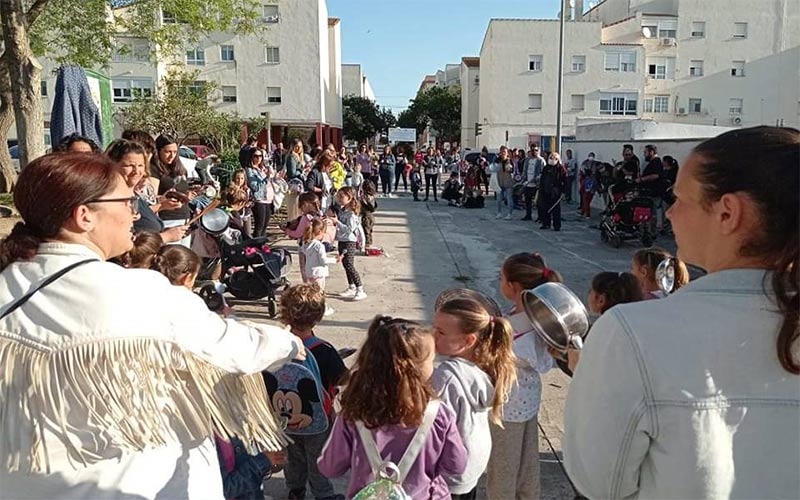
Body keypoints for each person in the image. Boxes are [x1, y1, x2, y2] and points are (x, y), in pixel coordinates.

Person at [0, 152, 305, 500]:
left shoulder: (10, 284)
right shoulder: (137, 291)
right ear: (84, 216)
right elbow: (236, 349)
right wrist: (288, 342)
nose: (135, 211)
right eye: (126, 200)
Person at [565, 126, 800, 499]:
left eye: (680, 199)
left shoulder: (633, 332)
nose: (670, 213)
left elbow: (597, 483)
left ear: (727, 213)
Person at [317, 316, 468, 499]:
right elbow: (456, 465)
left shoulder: (353, 413)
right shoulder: (438, 414)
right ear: (415, 369)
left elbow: (330, 467)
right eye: (431, 360)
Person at [487, 252, 558, 500]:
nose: (500, 281)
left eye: (501, 278)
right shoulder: (536, 318)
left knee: (502, 471)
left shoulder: (519, 324)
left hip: (507, 406)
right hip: (527, 402)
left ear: (513, 286)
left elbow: (527, 359)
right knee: (528, 465)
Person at [432, 298, 517, 500]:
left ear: (468, 340)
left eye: (441, 332)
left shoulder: (447, 376)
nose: (433, 335)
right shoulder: (484, 367)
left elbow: (433, 429)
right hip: (471, 467)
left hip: (448, 475)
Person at [278, 284, 347, 500]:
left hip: (284, 418)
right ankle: (323, 495)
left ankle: (295, 490)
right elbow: (343, 378)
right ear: (318, 317)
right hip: (318, 420)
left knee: (293, 456)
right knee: (317, 459)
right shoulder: (324, 350)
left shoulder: (277, 345)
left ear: (285, 314)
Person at [105, 139, 188, 244]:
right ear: (112, 165)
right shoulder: (112, 199)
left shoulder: (134, 197)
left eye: (140, 165)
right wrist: (165, 237)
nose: (136, 171)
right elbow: (125, 244)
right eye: (129, 166)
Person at [151, 134, 193, 246]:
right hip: (167, 219)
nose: (172, 156)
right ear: (158, 151)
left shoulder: (179, 168)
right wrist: (164, 199)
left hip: (185, 217)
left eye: (175, 152)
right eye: (168, 152)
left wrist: (187, 196)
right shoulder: (154, 170)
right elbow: (152, 198)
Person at [330, 187, 367, 301]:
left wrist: (337, 222)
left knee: (349, 264)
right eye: (338, 196)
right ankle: (351, 286)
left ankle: (360, 289)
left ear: (349, 198)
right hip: (342, 240)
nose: (339, 199)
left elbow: (349, 229)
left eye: (342, 197)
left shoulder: (351, 214)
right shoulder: (342, 210)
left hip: (349, 241)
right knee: (345, 264)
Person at [300, 218, 338, 295]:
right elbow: (323, 260)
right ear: (320, 232)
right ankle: (320, 306)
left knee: (311, 292)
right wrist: (334, 260)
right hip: (319, 272)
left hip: (309, 272)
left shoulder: (306, 243)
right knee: (319, 293)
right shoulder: (319, 246)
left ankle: (311, 304)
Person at [246, 149, 276, 239]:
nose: (258, 158)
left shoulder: (262, 168)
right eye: (256, 156)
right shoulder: (250, 170)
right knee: (259, 225)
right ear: (251, 157)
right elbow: (255, 187)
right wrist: (267, 178)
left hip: (268, 199)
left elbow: (268, 182)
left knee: (265, 226)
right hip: (259, 200)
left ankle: (262, 246)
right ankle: (255, 247)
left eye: (260, 156)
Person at [537, 152, 567, 231]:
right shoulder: (546, 168)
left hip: (555, 192)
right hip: (545, 191)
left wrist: (564, 192)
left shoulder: (561, 169)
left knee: (556, 210)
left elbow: (565, 181)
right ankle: (546, 224)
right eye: (551, 158)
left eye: (554, 158)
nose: (552, 160)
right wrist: (541, 189)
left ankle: (557, 225)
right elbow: (542, 179)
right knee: (545, 208)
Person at [521, 144, 545, 221]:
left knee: (539, 202)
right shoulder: (527, 160)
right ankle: (528, 215)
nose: (534, 152)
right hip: (528, 184)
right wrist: (523, 180)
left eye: (536, 150)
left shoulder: (541, 160)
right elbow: (524, 170)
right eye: (532, 150)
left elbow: (543, 172)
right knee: (527, 201)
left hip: (536, 185)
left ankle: (540, 217)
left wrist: (536, 178)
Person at [494, 146, 515, 220]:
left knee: (509, 198)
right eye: (502, 152)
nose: (503, 153)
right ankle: (499, 213)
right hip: (499, 182)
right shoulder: (497, 160)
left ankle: (510, 214)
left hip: (508, 182)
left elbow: (513, 171)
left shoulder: (510, 161)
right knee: (499, 199)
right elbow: (493, 169)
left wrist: (510, 169)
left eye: (505, 152)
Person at [358, 180, 378, 249]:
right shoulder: (372, 196)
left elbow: (369, 207)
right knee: (369, 231)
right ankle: (368, 243)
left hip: (366, 216)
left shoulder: (365, 197)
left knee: (366, 231)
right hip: (371, 216)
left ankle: (367, 245)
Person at [578, 152, 597, 219]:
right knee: (584, 199)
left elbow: (595, 174)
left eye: (592, 156)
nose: (591, 157)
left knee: (587, 199)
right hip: (585, 183)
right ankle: (584, 211)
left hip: (591, 184)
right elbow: (581, 171)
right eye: (590, 156)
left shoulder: (595, 164)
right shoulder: (585, 163)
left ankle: (587, 213)